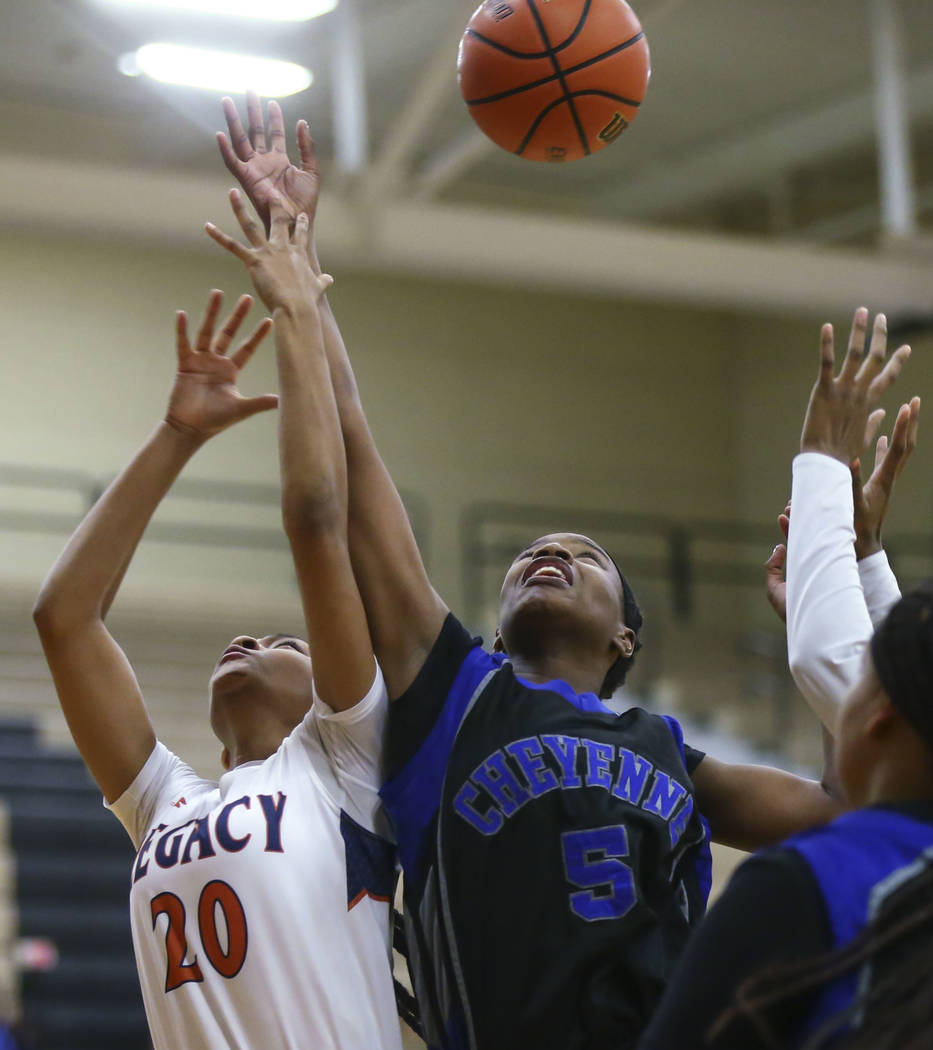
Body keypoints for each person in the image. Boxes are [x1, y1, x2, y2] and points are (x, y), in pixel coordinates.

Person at [211, 95, 916, 1050]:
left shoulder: (672, 751)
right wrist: (302, 270)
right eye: (534, 554)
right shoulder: (453, 693)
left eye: (587, 557)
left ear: (625, 633)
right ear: (496, 625)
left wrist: (845, 573)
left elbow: (853, 806)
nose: (552, 552)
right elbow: (353, 448)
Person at [32, 273, 403, 1047]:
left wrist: (296, 308)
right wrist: (178, 433)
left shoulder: (344, 762)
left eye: (283, 641)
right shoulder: (162, 802)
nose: (252, 642)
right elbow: (64, 618)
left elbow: (315, 519)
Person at [636, 309, 932, 1050]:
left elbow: (826, 659)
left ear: (878, 716)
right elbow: (879, 674)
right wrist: (860, 563)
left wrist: (823, 463)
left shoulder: (811, 882)